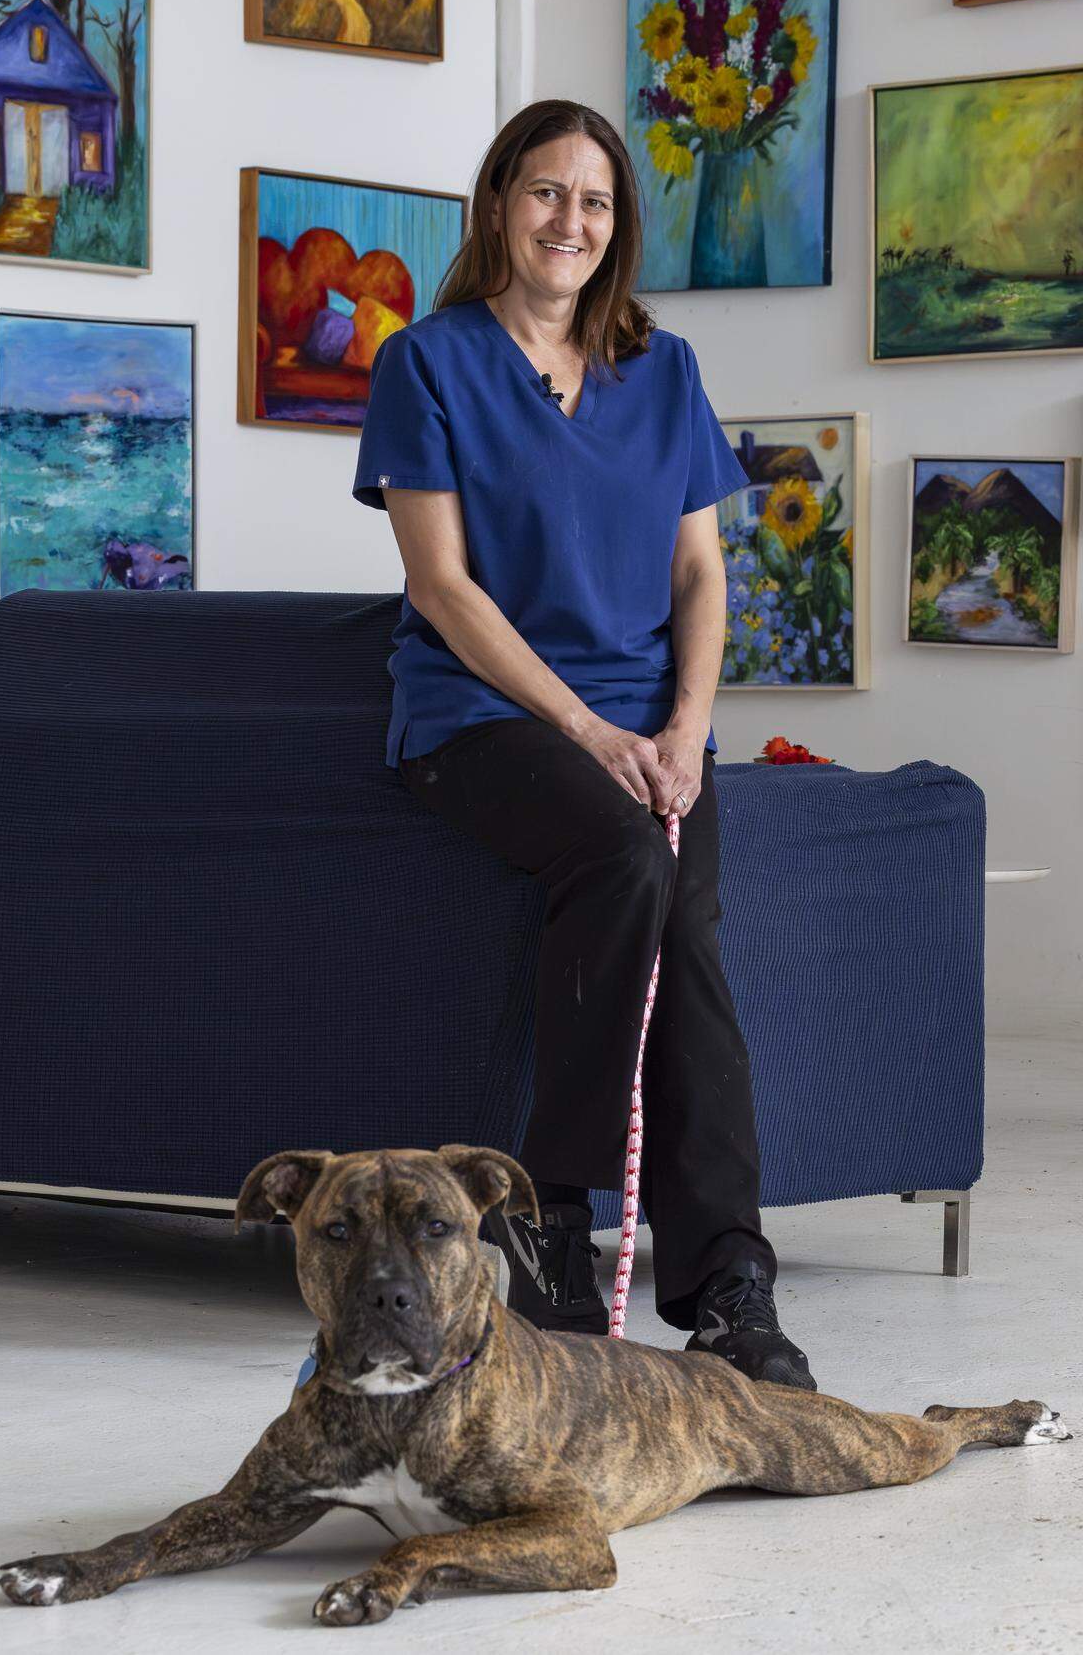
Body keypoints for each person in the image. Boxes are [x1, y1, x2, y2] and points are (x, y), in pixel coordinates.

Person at [347, 98, 814, 1392]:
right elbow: (441, 586)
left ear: (619, 228)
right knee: (624, 860)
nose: (571, 220)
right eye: (547, 193)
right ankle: (550, 1215)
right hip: (484, 719)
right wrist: (592, 729)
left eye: (596, 202)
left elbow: (702, 577)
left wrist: (683, 731)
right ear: (499, 204)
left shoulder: (661, 370)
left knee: (689, 947)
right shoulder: (427, 362)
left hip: (651, 727)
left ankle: (727, 1286)